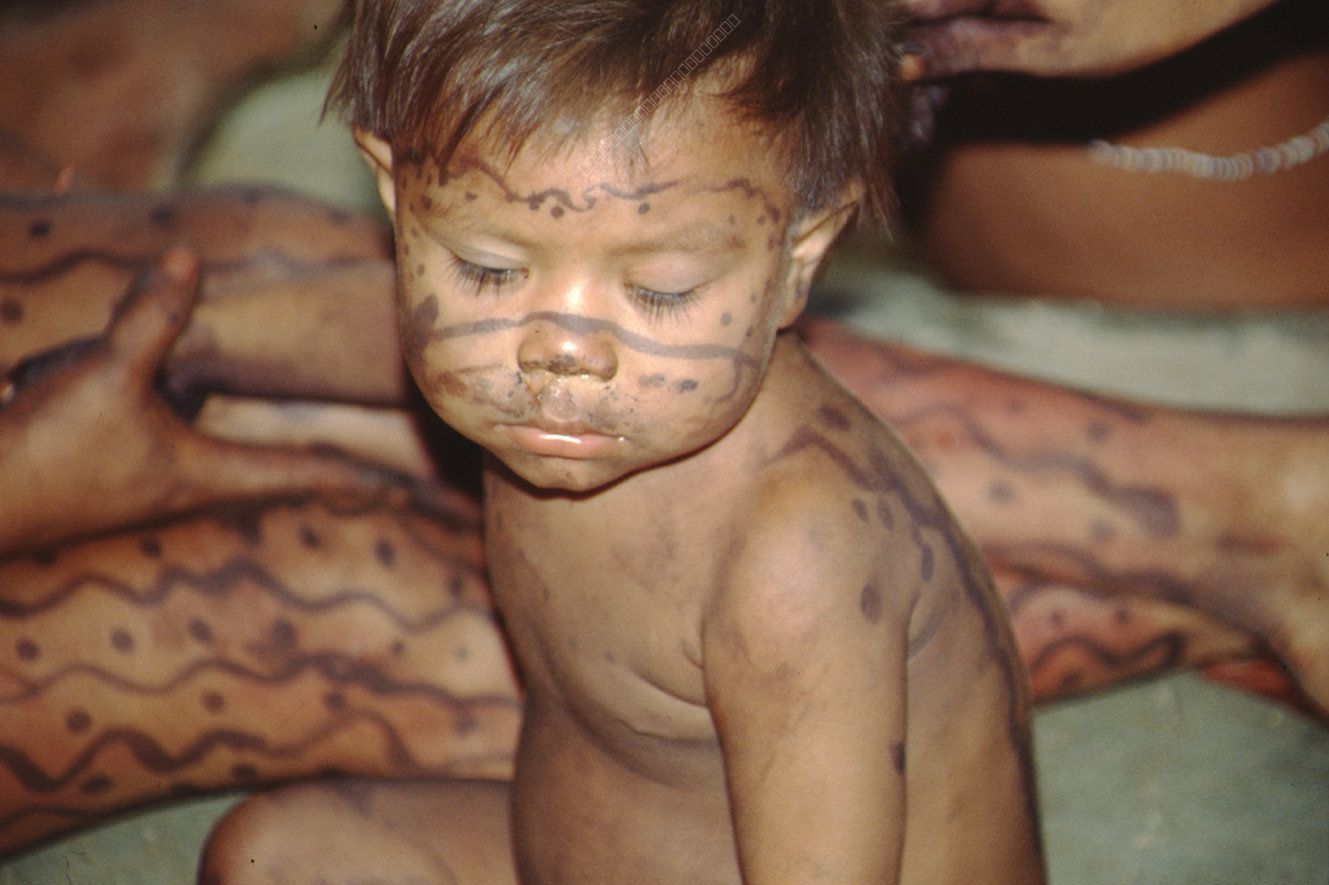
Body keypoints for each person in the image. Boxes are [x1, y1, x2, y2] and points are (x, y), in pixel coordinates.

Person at [198, 1, 1044, 881]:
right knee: (271, 858)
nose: (561, 350)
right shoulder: (586, 401)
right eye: (490, 269)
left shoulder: (794, 559)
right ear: (398, 199)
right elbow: (341, 348)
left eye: (662, 291)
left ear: (798, 256)